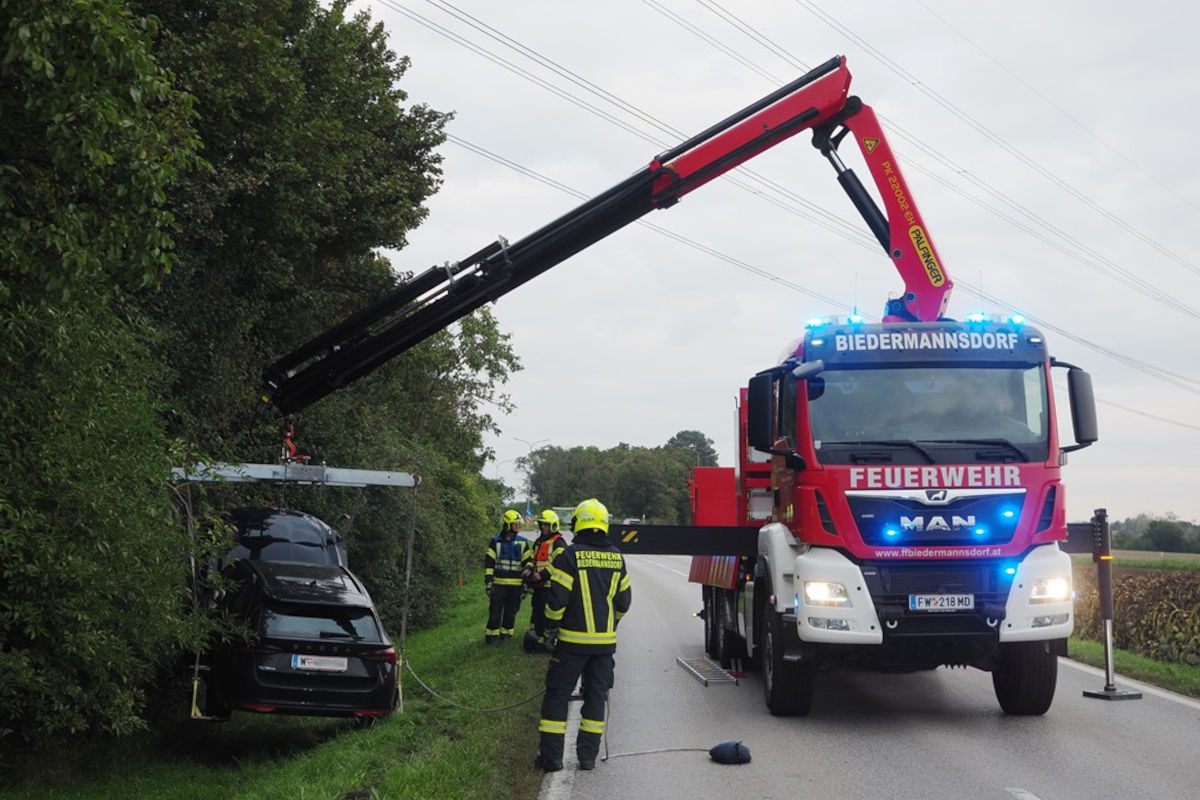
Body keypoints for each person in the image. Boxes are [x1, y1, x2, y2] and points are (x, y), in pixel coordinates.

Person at [535, 498, 632, 773]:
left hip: (570, 645)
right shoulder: (616, 557)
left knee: (557, 697)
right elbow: (624, 603)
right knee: (595, 699)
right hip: (604, 647)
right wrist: (608, 626)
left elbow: (556, 602)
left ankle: (552, 759)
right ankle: (587, 758)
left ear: (578, 523)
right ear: (603, 524)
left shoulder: (569, 556)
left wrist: (551, 630)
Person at [484, 509, 532, 643]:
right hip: (498, 585)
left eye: (518, 524)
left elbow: (529, 561)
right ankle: (491, 638)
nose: (518, 527)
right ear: (507, 525)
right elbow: (489, 564)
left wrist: (528, 568)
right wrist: (489, 583)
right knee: (495, 613)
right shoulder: (495, 541)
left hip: (516, 586)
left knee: (511, 613)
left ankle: (506, 636)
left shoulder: (523, 542)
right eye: (515, 524)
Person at [523, 509, 567, 653]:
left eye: (546, 525)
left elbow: (559, 564)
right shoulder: (539, 542)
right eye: (541, 524)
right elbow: (532, 559)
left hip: (551, 587)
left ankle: (549, 642)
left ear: (553, 526)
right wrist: (528, 569)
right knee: (537, 614)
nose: (543, 527)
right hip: (539, 587)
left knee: (549, 616)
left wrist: (542, 575)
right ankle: (539, 641)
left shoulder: (559, 543)